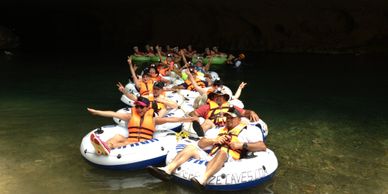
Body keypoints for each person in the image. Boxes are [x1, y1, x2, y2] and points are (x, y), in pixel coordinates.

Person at [147, 107, 267, 189]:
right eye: (227, 117)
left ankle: (202, 180)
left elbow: (261, 146)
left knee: (223, 152)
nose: (228, 119)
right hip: (210, 157)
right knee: (190, 147)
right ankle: (167, 170)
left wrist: (242, 145)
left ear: (239, 119)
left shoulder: (248, 130)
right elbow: (201, 143)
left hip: (231, 160)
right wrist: (214, 140)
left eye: (232, 117)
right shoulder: (219, 130)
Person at [87, 96, 197, 155]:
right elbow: (113, 113)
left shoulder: (154, 119)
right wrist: (97, 112)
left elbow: (172, 119)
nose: (139, 109)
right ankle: (105, 146)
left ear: (147, 108)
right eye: (137, 107)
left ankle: (108, 147)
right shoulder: (130, 117)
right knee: (118, 137)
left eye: (141, 107)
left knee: (124, 142)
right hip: (130, 140)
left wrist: (188, 119)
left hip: (142, 144)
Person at [189, 88, 260, 133]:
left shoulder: (231, 106)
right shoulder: (206, 107)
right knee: (207, 122)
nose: (218, 98)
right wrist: (196, 119)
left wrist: (251, 112)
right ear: (213, 97)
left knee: (243, 121)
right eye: (216, 96)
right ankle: (198, 138)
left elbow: (244, 112)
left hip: (230, 127)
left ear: (225, 98)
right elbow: (193, 113)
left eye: (221, 96)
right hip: (214, 129)